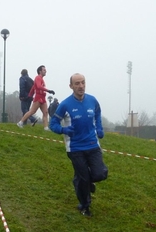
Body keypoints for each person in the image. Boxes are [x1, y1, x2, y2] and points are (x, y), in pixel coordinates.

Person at [50, 73, 108, 217]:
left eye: (83, 82)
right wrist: (63, 130)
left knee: (100, 174)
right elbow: (53, 124)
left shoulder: (92, 100)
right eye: (77, 83)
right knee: (83, 178)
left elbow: (98, 113)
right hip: (75, 148)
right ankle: (85, 206)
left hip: (93, 144)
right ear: (71, 86)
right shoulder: (65, 105)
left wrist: (99, 128)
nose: (80, 86)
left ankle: (84, 182)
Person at [17, 65, 55, 131]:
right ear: (40, 71)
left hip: (43, 98)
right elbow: (38, 86)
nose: (45, 71)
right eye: (44, 70)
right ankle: (20, 123)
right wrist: (48, 90)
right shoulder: (38, 78)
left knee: (45, 112)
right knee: (32, 111)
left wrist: (30, 95)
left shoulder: (41, 79)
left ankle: (46, 128)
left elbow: (33, 87)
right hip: (38, 97)